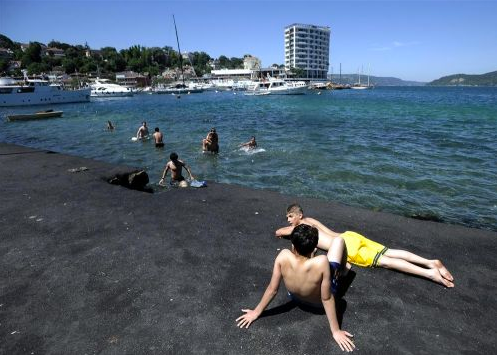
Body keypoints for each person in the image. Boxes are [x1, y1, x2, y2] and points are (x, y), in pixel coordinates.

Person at [236, 224, 355, 352]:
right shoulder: (322, 261)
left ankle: (311, 259)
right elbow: (326, 298)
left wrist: (256, 312)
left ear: (293, 245)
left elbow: (272, 289)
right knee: (339, 241)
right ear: (314, 247)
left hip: (296, 298)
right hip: (318, 304)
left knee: (313, 265)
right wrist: (336, 331)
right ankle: (343, 269)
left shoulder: (283, 255)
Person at [275, 204, 455, 288]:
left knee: (386, 261)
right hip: (350, 236)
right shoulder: (311, 221)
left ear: (298, 216)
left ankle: (429, 273)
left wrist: (288, 228)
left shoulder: (300, 228)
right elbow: (328, 231)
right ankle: (430, 262)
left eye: (290, 217)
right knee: (390, 252)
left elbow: (279, 232)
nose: (289, 221)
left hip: (348, 247)